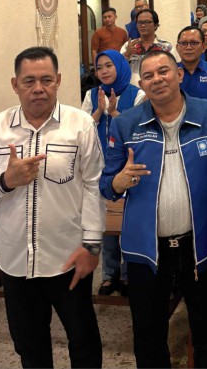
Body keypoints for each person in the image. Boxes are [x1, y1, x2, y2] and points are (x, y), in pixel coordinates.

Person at [100, 49, 207, 368]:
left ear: (179, 74)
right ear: (142, 85)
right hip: (146, 251)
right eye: (148, 76)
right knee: (148, 334)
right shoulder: (125, 124)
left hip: (201, 244)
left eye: (163, 71)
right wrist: (119, 181)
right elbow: (106, 186)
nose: (157, 79)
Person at [0, 46, 105, 367]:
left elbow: (94, 186)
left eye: (46, 80)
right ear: (15, 84)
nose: (38, 88)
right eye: (29, 81)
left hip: (68, 257)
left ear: (58, 81)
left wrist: (92, 246)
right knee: (29, 345)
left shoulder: (80, 125)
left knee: (83, 341)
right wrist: (5, 181)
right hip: (15, 259)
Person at [82, 50, 145, 296]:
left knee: (128, 223)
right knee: (106, 224)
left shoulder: (137, 94)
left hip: (127, 164)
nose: (104, 71)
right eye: (99, 67)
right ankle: (109, 275)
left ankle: (128, 274)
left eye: (109, 65)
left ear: (120, 66)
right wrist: (99, 110)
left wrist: (115, 113)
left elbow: (139, 129)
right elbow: (84, 129)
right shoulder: (91, 94)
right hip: (100, 165)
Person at [120, 8, 174, 85]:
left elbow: (172, 70)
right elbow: (118, 70)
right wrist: (127, 55)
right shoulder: (128, 45)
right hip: (133, 89)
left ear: (155, 25)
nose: (143, 25)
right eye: (140, 22)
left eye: (147, 22)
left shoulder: (166, 47)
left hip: (158, 86)